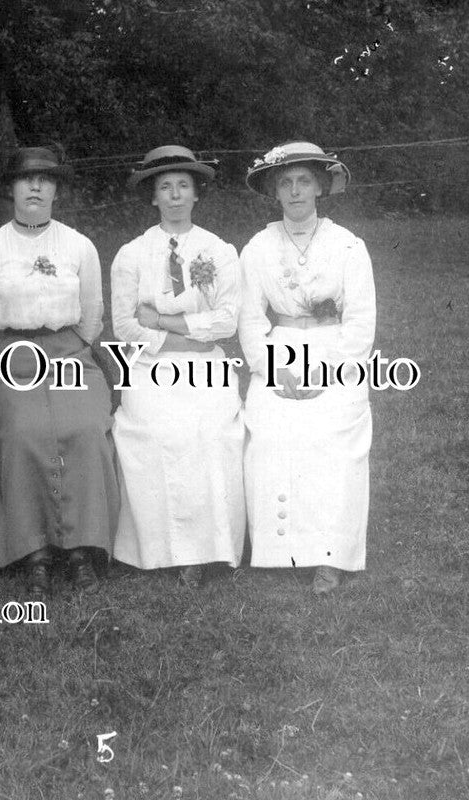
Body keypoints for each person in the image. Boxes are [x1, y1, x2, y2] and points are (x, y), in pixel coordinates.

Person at [0, 145, 119, 595]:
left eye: (45, 179)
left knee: (85, 426)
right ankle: (34, 552)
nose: (35, 186)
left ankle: (82, 549)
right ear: (10, 189)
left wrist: (74, 350)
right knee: (22, 428)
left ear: (56, 190)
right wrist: (1, 358)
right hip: (10, 357)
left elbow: (92, 316)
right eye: (25, 179)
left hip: (70, 353)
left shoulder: (79, 246)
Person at [239, 141, 376, 595]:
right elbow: (251, 319)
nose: (295, 191)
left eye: (304, 181)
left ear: (320, 187)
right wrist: (276, 370)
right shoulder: (258, 247)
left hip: (334, 353)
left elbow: (360, 322)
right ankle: (279, 551)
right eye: (286, 183)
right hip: (281, 349)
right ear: (275, 192)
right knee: (270, 429)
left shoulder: (348, 245)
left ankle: (330, 555)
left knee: (331, 436)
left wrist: (327, 371)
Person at [109, 145, 245, 588]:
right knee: (157, 432)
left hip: (206, 366)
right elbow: (127, 325)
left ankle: (209, 550)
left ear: (195, 194)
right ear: (153, 197)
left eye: (182, 186)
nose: (174, 196)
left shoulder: (218, 250)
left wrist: (168, 322)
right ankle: (159, 549)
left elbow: (227, 320)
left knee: (207, 433)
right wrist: (176, 338)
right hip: (151, 367)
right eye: (165, 187)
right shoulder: (132, 254)